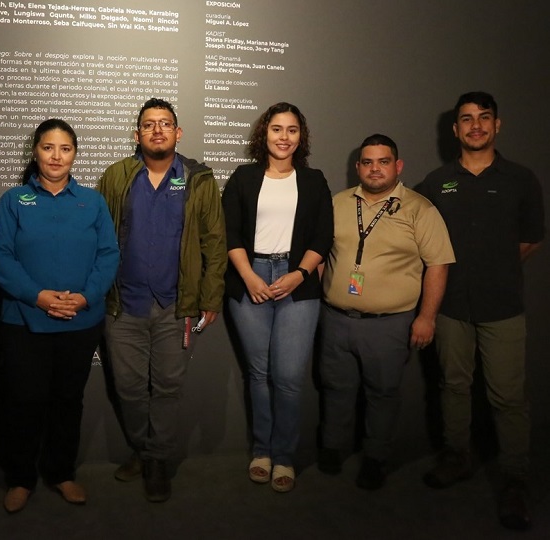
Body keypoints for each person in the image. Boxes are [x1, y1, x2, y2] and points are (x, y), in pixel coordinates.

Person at [417, 92, 544, 530]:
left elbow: (529, 240)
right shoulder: (436, 182)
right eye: (466, 119)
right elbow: (419, 242)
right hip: (449, 305)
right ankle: (458, 456)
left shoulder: (520, 179)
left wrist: (495, 269)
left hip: (503, 305)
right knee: (453, 385)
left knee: (508, 398)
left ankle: (514, 480)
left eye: (483, 118)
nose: (475, 126)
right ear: (455, 129)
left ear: (497, 125)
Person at [98, 98, 226, 502]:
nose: (157, 130)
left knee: (168, 387)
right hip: (124, 305)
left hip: (176, 305)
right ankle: (144, 449)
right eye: (149, 125)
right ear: (137, 134)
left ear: (178, 132)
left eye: (165, 124)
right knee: (130, 389)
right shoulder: (117, 176)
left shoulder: (198, 179)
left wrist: (211, 296)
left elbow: (215, 243)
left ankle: (156, 462)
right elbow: (101, 238)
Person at [0, 119, 119, 513]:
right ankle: (21, 479)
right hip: (23, 321)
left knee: (67, 401)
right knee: (23, 402)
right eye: (48, 148)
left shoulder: (93, 202)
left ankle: (62, 472)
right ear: (35, 152)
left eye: (64, 148)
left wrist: (85, 298)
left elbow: (108, 254)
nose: (56, 156)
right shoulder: (13, 200)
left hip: (80, 320)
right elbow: (0, 256)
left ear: (74, 154)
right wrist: (39, 297)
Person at [318, 134, 454, 490]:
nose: (374, 168)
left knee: (382, 394)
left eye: (383, 161)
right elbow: (320, 251)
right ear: (357, 166)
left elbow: (438, 265)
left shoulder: (419, 209)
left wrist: (426, 317)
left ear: (398, 166)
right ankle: (333, 448)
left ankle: (376, 459)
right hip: (336, 319)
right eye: (367, 162)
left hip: (389, 324)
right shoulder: (338, 203)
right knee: (336, 388)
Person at [222, 102, 333, 492]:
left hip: (297, 282)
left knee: (287, 377)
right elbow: (230, 232)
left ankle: (284, 457)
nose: (283, 137)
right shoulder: (244, 177)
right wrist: (250, 276)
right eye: (276, 129)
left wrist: (299, 275)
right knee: (259, 373)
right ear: (263, 134)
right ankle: (262, 452)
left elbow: (323, 236)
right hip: (248, 276)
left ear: (300, 137)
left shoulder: (314, 180)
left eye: (291, 130)